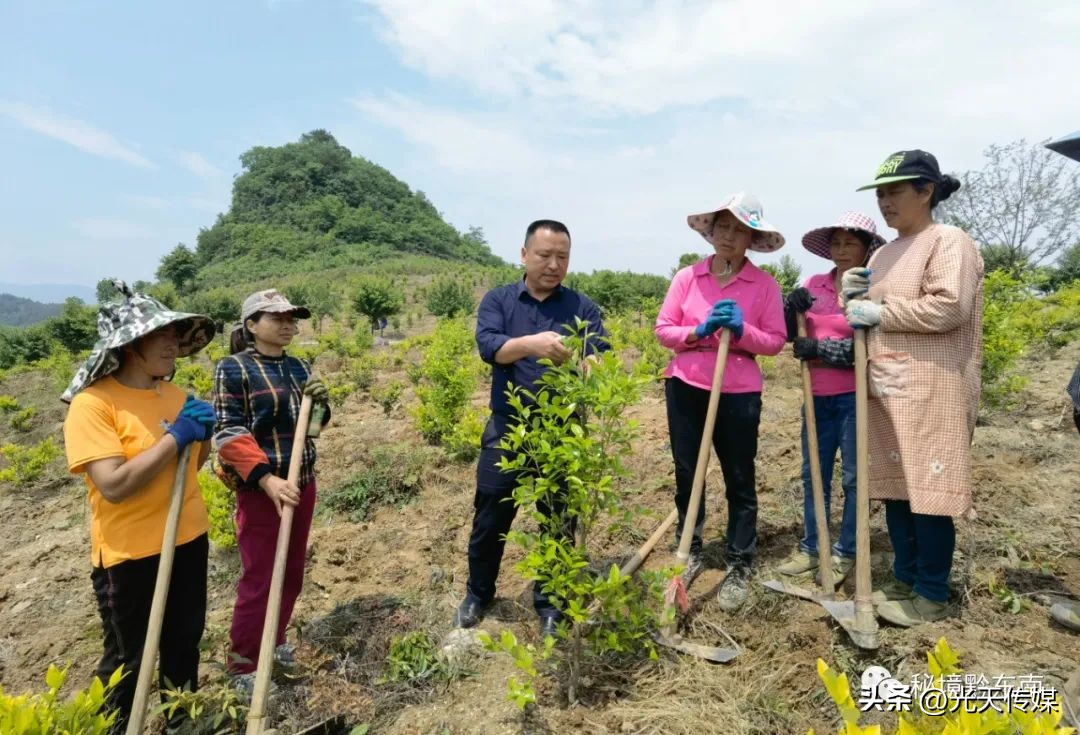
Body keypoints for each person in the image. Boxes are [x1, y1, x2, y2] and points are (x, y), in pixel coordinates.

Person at [61, 280, 217, 733]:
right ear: (130, 345)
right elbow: (113, 484)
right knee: (127, 660)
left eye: (175, 333)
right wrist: (176, 436)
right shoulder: (93, 405)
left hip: (188, 537)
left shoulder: (174, 395)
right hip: (130, 554)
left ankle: (181, 724)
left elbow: (189, 467)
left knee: (184, 642)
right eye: (162, 334)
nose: (174, 343)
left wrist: (199, 436)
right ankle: (115, 728)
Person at [843, 149, 982, 626]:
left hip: (934, 385)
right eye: (880, 193)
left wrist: (883, 310)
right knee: (896, 485)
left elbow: (949, 307)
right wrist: (855, 298)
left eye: (895, 191)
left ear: (926, 191)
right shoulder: (881, 252)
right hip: (889, 381)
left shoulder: (949, 241)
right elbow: (868, 314)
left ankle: (931, 592)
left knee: (929, 487)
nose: (885, 202)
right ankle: (903, 578)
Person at [454, 219, 608, 638]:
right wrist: (532, 344)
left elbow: (598, 362)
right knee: (490, 513)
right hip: (509, 427)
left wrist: (577, 361)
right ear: (524, 255)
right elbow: (490, 347)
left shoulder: (582, 307)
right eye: (544, 255)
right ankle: (478, 593)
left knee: (558, 519)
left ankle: (551, 603)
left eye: (562, 256)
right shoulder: (499, 301)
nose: (553, 265)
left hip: (562, 430)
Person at [655, 192, 787, 612]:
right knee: (688, 472)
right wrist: (699, 329)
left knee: (739, 477)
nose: (730, 236)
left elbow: (775, 342)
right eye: (723, 227)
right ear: (711, 231)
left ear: (752, 238)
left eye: (740, 230)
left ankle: (739, 560)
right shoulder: (687, 278)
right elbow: (664, 330)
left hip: (738, 390)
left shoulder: (764, 286)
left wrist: (742, 330)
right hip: (687, 383)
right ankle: (689, 550)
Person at [212, 289, 330, 693]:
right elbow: (228, 432)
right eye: (276, 317)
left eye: (291, 318)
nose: (287, 325)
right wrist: (266, 479)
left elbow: (310, 429)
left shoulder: (299, 367)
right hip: (263, 489)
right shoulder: (233, 368)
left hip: (301, 482)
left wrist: (321, 406)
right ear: (250, 325)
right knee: (261, 575)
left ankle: (274, 640)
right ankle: (243, 664)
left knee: (292, 570)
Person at [776, 213, 886, 584]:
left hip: (855, 399)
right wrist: (791, 308)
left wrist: (819, 348)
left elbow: (869, 347)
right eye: (836, 243)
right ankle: (812, 546)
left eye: (849, 244)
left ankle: (847, 552)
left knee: (855, 480)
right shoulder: (814, 285)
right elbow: (793, 337)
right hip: (816, 397)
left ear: (866, 248)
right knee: (814, 476)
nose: (841, 251)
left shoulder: (872, 289)